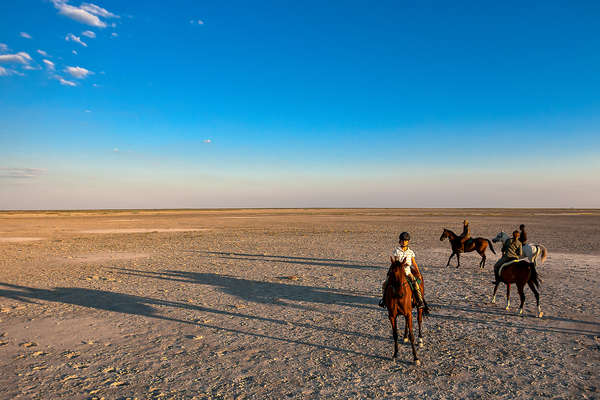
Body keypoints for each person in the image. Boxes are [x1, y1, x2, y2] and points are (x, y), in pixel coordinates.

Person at [379, 232, 426, 309]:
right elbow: (395, 262)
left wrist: (418, 272)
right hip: (398, 272)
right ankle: (384, 300)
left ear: (408, 241)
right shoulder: (396, 251)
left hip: (407, 272)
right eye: (402, 240)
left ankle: (419, 301)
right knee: (385, 284)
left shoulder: (410, 252)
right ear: (400, 241)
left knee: (415, 283)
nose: (404, 242)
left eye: (406, 240)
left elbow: (414, 263)